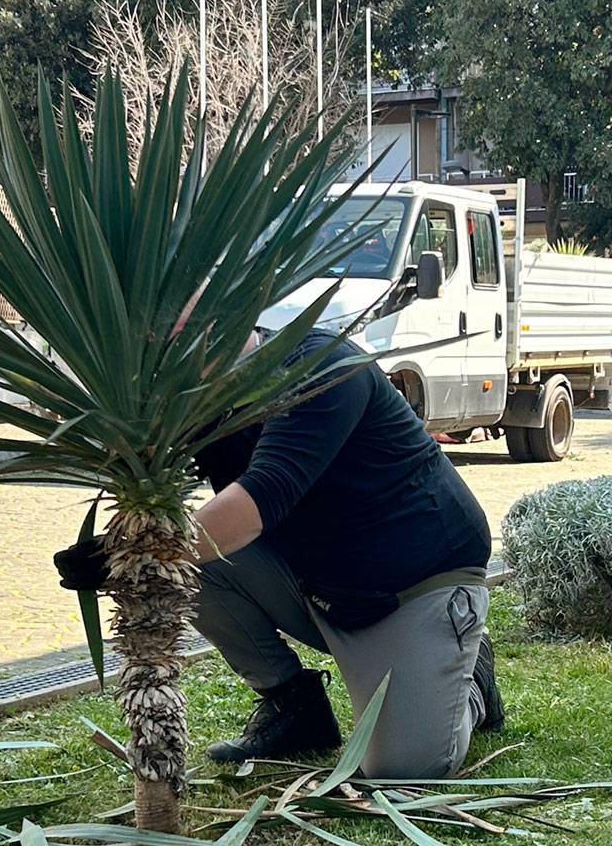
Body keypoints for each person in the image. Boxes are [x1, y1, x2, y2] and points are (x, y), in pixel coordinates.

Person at [56, 329, 503, 779]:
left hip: (413, 586)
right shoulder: (193, 399)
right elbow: (159, 483)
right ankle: (295, 709)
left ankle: (467, 683)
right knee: (195, 565)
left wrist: (133, 554)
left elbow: (266, 492)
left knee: (402, 768)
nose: (170, 337)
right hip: (319, 584)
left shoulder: (321, 367)